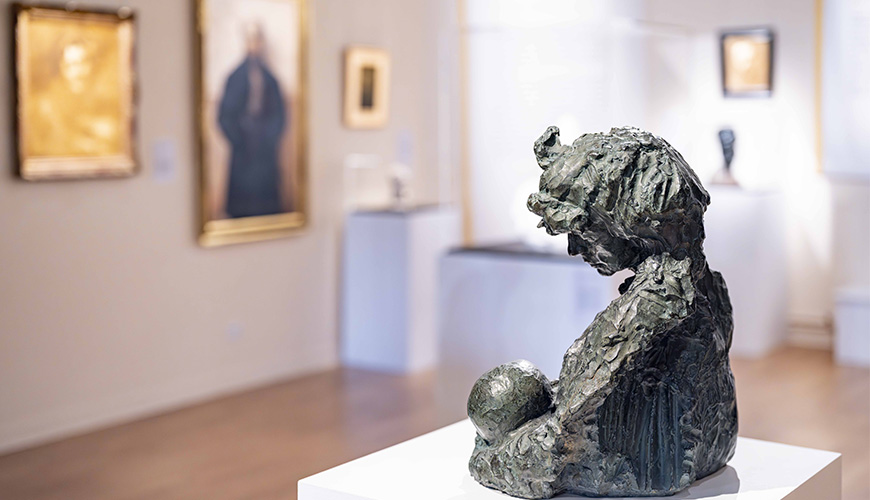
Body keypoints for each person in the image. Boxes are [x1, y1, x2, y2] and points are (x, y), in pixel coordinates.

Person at [218, 22, 287, 218]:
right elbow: (224, 116)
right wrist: (239, 139)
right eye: (250, 39)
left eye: (257, 39)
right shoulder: (235, 77)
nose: (254, 44)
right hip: (243, 144)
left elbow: (280, 115)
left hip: (264, 144)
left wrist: (268, 137)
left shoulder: (270, 79)